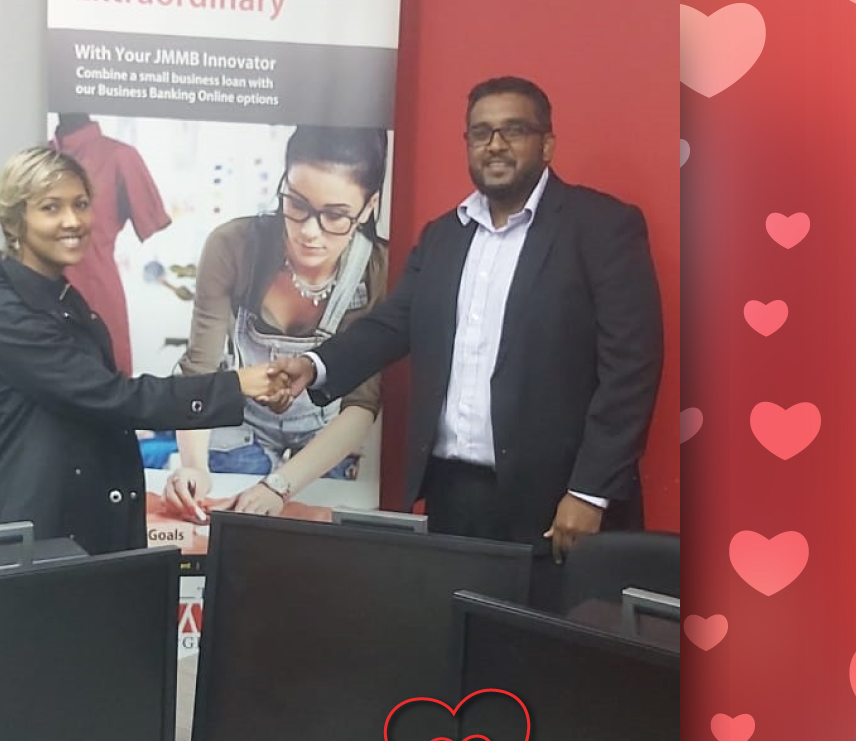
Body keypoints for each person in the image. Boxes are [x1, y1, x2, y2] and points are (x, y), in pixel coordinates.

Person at [270, 77, 664, 561]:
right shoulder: (443, 236)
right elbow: (392, 324)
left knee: (549, 636)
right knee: (459, 635)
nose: (495, 145)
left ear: (547, 143)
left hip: (557, 502)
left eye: (513, 130)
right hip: (453, 495)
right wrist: (314, 365)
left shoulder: (601, 227)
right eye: (481, 133)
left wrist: (589, 492)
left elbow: (632, 368)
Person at [0, 147, 284, 555]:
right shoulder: (4, 316)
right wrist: (235, 386)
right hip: (29, 548)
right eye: (50, 208)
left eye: (81, 204)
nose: (72, 221)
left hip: (65, 538)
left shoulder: (60, 300)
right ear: (13, 221)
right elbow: (112, 398)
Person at [164, 125, 389, 521]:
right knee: (219, 520)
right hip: (243, 421)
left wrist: (279, 486)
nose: (308, 231)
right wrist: (194, 467)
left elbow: (362, 402)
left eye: (335, 216)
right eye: (297, 204)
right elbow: (199, 370)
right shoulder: (234, 246)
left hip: (328, 432)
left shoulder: (378, 270)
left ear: (369, 207)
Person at [52, 113, 172, 378]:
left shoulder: (120, 156)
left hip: (96, 299)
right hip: (38, 303)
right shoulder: (38, 158)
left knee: (106, 396)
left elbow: (152, 221)